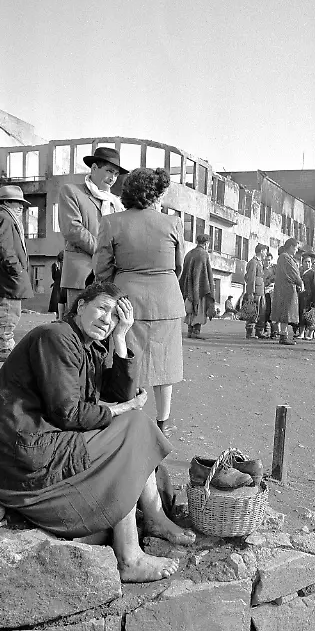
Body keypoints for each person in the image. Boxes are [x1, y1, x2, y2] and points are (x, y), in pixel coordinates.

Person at [0, 282, 194, 583]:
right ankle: (130, 555)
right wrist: (122, 409)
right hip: (18, 450)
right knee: (131, 429)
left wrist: (121, 337)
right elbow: (67, 412)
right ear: (81, 306)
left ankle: (154, 518)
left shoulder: (88, 344)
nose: (107, 320)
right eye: (102, 309)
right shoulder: (55, 337)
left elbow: (118, 394)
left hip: (39, 440)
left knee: (132, 427)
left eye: (115, 316)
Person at [94, 167, 184, 438]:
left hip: (127, 300)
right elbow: (178, 265)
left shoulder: (111, 222)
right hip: (166, 301)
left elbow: (101, 269)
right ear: (155, 193)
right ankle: (163, 422)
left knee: (127, 360)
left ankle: (129, 419)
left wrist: (121, 281)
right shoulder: (173, 223)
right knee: (165, 365)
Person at [59, 146, 127, 307]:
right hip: (82, 275)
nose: (112, 178)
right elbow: (73, 229)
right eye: (109, 171)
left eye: (116, 174)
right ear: (94, 168)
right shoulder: (71, 191)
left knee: (104, 321)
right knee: (77, 319)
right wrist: (104, 253)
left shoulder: (116, 203)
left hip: (109, 277)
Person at [0, 185, 34, 361]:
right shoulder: (5, 218)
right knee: (9, 312)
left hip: (6, 274)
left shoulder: (2, 217)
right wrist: (17, 269)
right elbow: (4, 248)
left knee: (3, 310)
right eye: (16, 202)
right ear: (6, 202)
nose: (21, 206)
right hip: (9, 276)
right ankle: (4, 348)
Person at [179, 234, 215, 340]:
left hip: (189, 288)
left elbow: (184, 273)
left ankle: (190, 331)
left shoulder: (189, 254)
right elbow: (206, 274)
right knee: (199, 310)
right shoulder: (204, 254)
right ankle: (196, 331)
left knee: (190, 309)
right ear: (206, 243)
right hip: (201, 288)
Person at [271, 238, 303, 346]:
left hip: (285, 288)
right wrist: (300, 282)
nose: (296, 250)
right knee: (285, 312)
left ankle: (283, 335)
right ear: (291, 246)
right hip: (285, 289)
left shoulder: (285, 257)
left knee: (285, 312)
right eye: (296, 248)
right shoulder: (285, 257)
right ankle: (283, 336)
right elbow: (293, 273)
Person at [244, 243, 268, 339]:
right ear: (261, 251)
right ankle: (250, 332)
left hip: (261, 291)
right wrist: (251, 292)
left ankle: (259, 331)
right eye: (265, 251)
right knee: (252, 312)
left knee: (261, 312)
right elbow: (251, 278)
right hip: (255, 292)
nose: (266, 254)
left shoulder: (260, 262)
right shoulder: (253, 262)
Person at [298, 253, 315, 340]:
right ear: (302, 263)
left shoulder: (314, 273)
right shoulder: (300, 273)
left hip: (310, 298)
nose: (307, 264)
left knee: (311, 316)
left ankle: (310, 333)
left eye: (309, 262)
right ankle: (301, 333)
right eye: (305, 262)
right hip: (301, 297)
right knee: (301, 315)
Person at [262, 251, 277, 339]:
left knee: (272, 311)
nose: (267, 262)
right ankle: (266, 330)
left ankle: (274, 331)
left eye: (269, 260)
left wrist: (271, 280)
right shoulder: (261, 269)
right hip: (263, 292)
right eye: (266, 260)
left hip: (272, 292)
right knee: (264, 311)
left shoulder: (274, 269)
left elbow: (277, 278)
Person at [48, 251, 66, 320]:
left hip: (59, 284)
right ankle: (59, 316)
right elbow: (54, 276)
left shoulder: (56, 265)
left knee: (59, 300)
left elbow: (54, 276)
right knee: (58, 300)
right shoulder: (56, 265)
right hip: (60, 284)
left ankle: (59, 317)